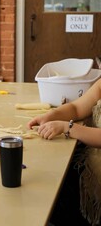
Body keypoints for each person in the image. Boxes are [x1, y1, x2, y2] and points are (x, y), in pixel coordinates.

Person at [27, 79, 101, 226]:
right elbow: (76, 108)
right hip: (91, 161)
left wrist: (68, 128)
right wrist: (52, 115)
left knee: (56, 191)